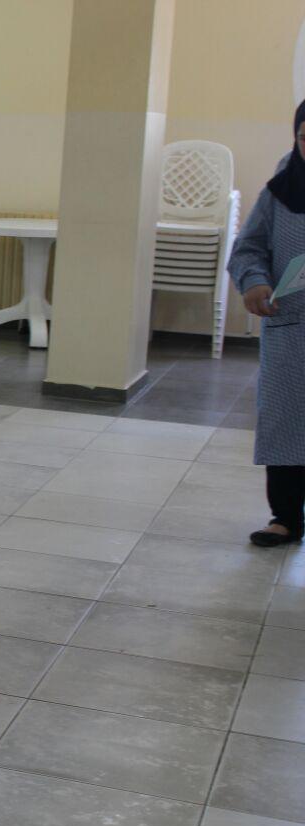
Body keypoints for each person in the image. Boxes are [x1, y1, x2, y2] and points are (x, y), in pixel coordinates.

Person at [229, 99, 305, 547]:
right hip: (292, 326)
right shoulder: (283, 187)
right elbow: (249, 246)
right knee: (286, 422)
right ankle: (285, 518)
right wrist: (255, 281)